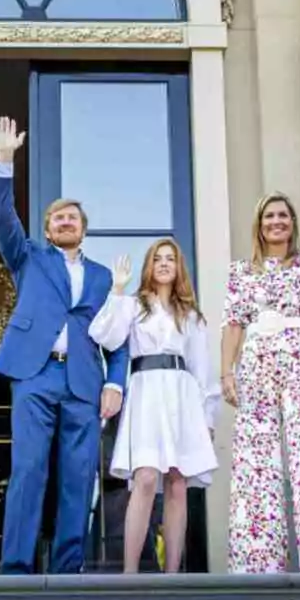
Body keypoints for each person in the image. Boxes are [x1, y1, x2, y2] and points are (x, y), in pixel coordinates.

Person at [0, 116, 130, 575]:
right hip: (34, 374)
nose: (65, 221)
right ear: (47, 230)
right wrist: (5, 160)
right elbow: (2, 218)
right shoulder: (27, 257)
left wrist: (116, 384)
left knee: (78, 477)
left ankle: (70, 571)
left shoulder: (105, 277)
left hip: (84, 382)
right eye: (57, 217)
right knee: (28, 470)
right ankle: (15, 568)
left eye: (72, 217)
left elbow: (120, 335)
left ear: (83, 229)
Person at [221, 145, 300, 574]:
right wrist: (226, 371)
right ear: (259, 225)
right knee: (256, 459)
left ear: (292, 225)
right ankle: (259, 564)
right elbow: (233, 322)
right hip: (256, 361)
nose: (277, 221)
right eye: (269, 216)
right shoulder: (242, 272)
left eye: (284, 216)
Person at [89, 238, 219, 573]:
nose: (163, 264)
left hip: (182, 396)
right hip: (146, 391)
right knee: (146, 477)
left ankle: (172, 574)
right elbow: (105, 335)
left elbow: (202, 369)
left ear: (178, 267)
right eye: (157, 259)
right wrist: (118, 291)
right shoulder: (134, 305)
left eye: (170, 259)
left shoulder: (190, 314)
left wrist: (208, 418)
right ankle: (130, 574)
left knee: (177, 481)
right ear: (149, 266)